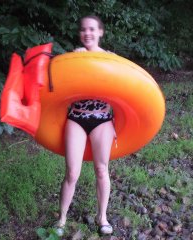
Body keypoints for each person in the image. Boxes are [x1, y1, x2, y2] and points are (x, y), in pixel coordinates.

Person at [55, 15, 115, 236]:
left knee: (101, 169)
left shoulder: (111, 59)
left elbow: (122, 91)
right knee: (72, 172)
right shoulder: (72, 57)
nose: (87, 33)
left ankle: (102, 216)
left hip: (102, 119)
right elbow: (57, 81)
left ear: (100, 32)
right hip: (77, 118)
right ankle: (61, 218)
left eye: (92, 29)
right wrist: (71, 58)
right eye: (83, 29)